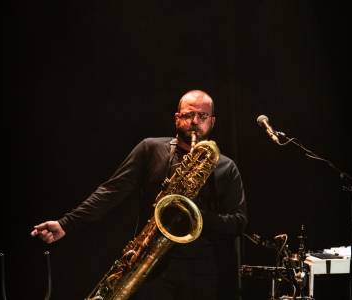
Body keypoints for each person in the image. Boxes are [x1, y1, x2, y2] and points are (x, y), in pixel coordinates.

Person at [30, 89, 247, 300]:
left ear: (212, 121)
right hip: (151, 266)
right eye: (189, 114)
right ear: (177, 118)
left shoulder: (225, 167)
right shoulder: (150, 149)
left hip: (202, 272)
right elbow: (110, 191)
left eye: (202, 115)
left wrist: (195, 216)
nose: (195, 121)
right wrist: (66, 224)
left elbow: (238, 222)